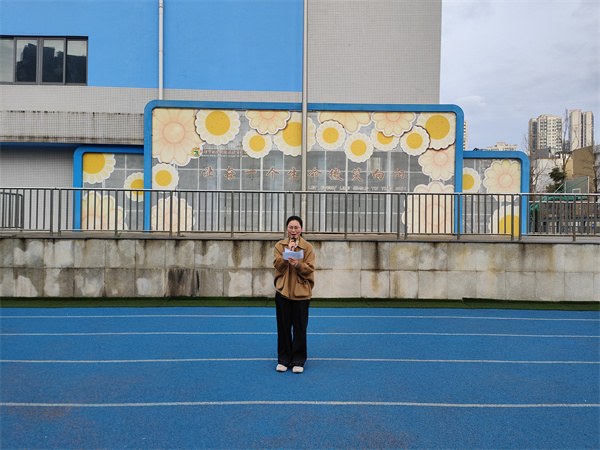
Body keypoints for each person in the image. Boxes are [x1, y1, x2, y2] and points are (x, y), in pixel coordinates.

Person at [273, 215, 315, 374]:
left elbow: (310, 268)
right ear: (287, 229)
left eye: (296, 227)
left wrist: (297, 264)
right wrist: (287, 254)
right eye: (290, 227)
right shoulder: (280, 246)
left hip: (301, 294)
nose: (293, 230)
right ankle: (283, 360)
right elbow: (277, 265)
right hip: (283, 293)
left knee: (300, 329)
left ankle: (298, 360)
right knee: (283, 328)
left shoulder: (307, 247)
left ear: (301, 229)